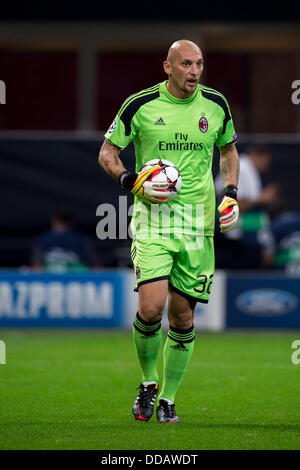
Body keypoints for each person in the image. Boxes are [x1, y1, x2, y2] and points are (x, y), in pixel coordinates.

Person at [98, 39, 240, 423]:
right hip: (153, 222)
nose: (195, 71)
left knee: (182, 320)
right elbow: (107, 152)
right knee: (150, 308)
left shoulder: (216, 105)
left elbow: (228, 152)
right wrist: (131, 181)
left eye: (199, 64)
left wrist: (231, 194)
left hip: (197, 226)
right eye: (187, 64)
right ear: (168, 67)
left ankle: (168, 400)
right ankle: (147, 383)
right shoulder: (140, 106)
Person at [214, 144, 280, 269]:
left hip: (237, 236)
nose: (267, 165)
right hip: (231, 238)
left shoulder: (246, 167)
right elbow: (233, 204)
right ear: (256, 155)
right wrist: (262, 198)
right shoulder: (242, 168)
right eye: (266, 160)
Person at [31, 205, 100, 272]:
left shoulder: (42, 240)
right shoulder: (83, 240)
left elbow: (37, 267)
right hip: (76, 281)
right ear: (71, 221)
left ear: (53, 219)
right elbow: (97, 269)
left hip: (53, 281)